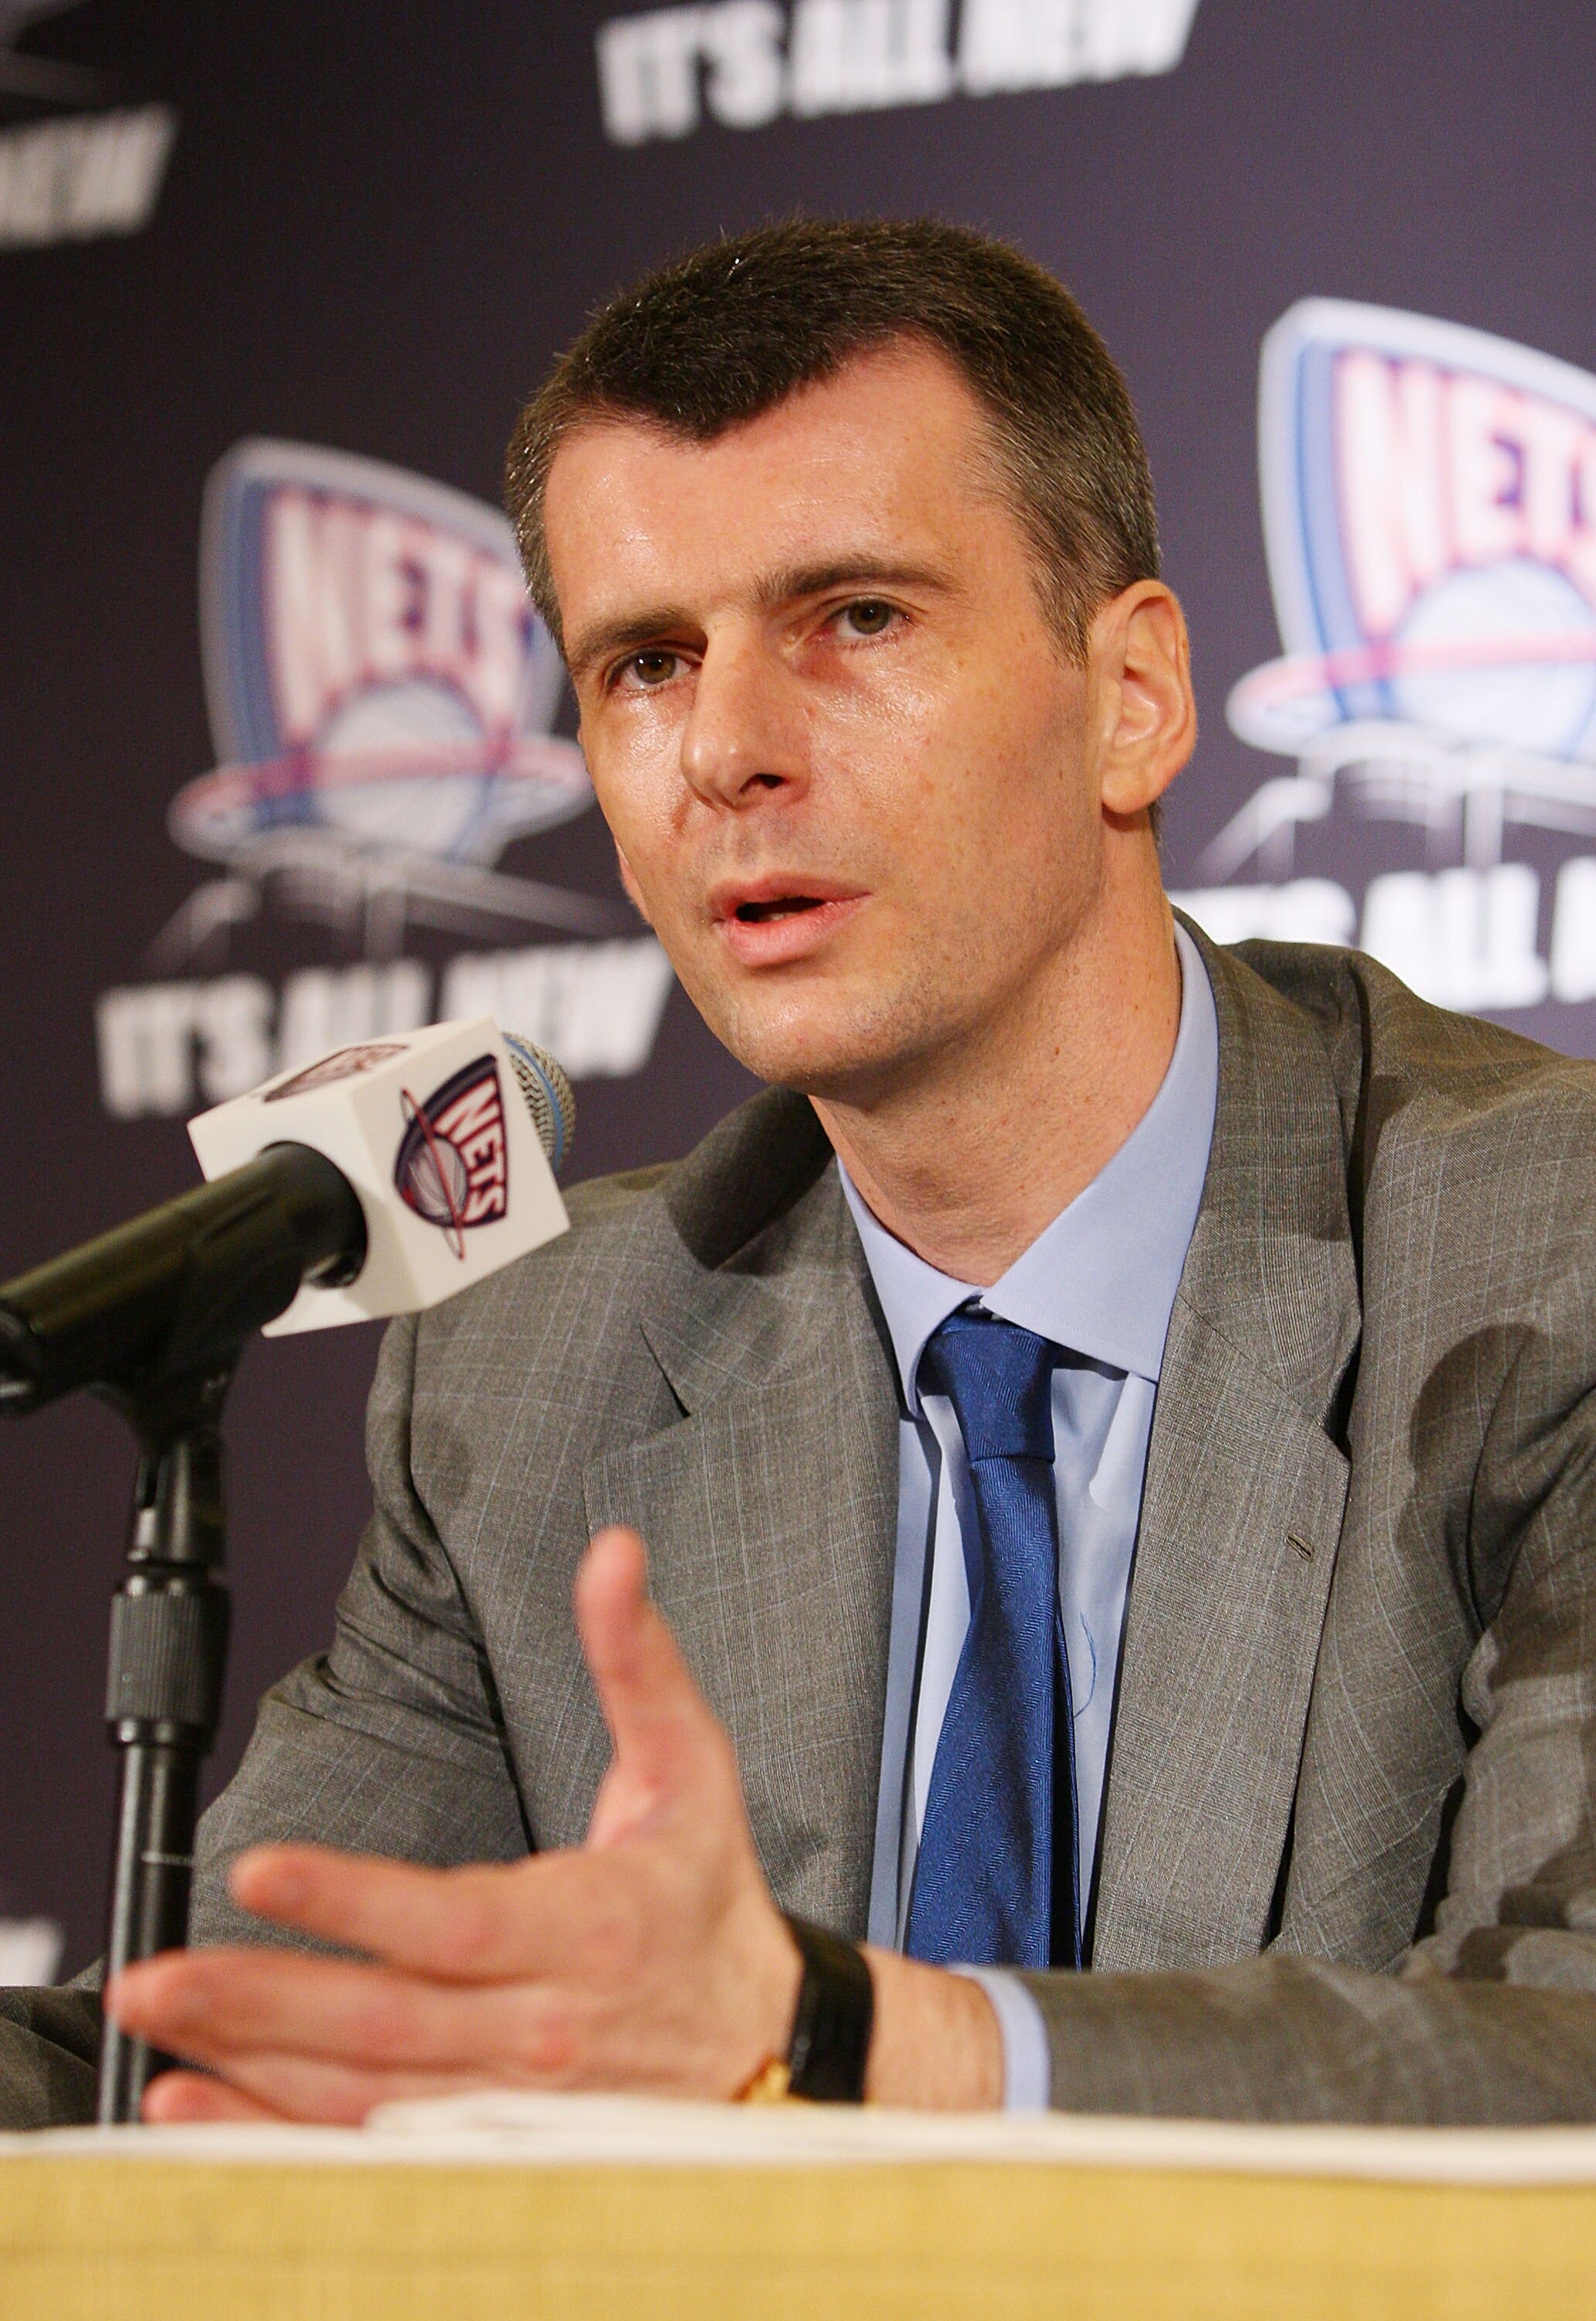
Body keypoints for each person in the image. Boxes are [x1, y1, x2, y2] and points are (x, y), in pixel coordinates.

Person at [5, 217, 1596, 2130]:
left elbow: (1567, 2049)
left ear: (1133, 696)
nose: (730, 750)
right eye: (647, 664)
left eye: (855, 619)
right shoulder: (532, 1371)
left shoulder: (1541, 1256)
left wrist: (850, 2040)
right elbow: (229, 2052)